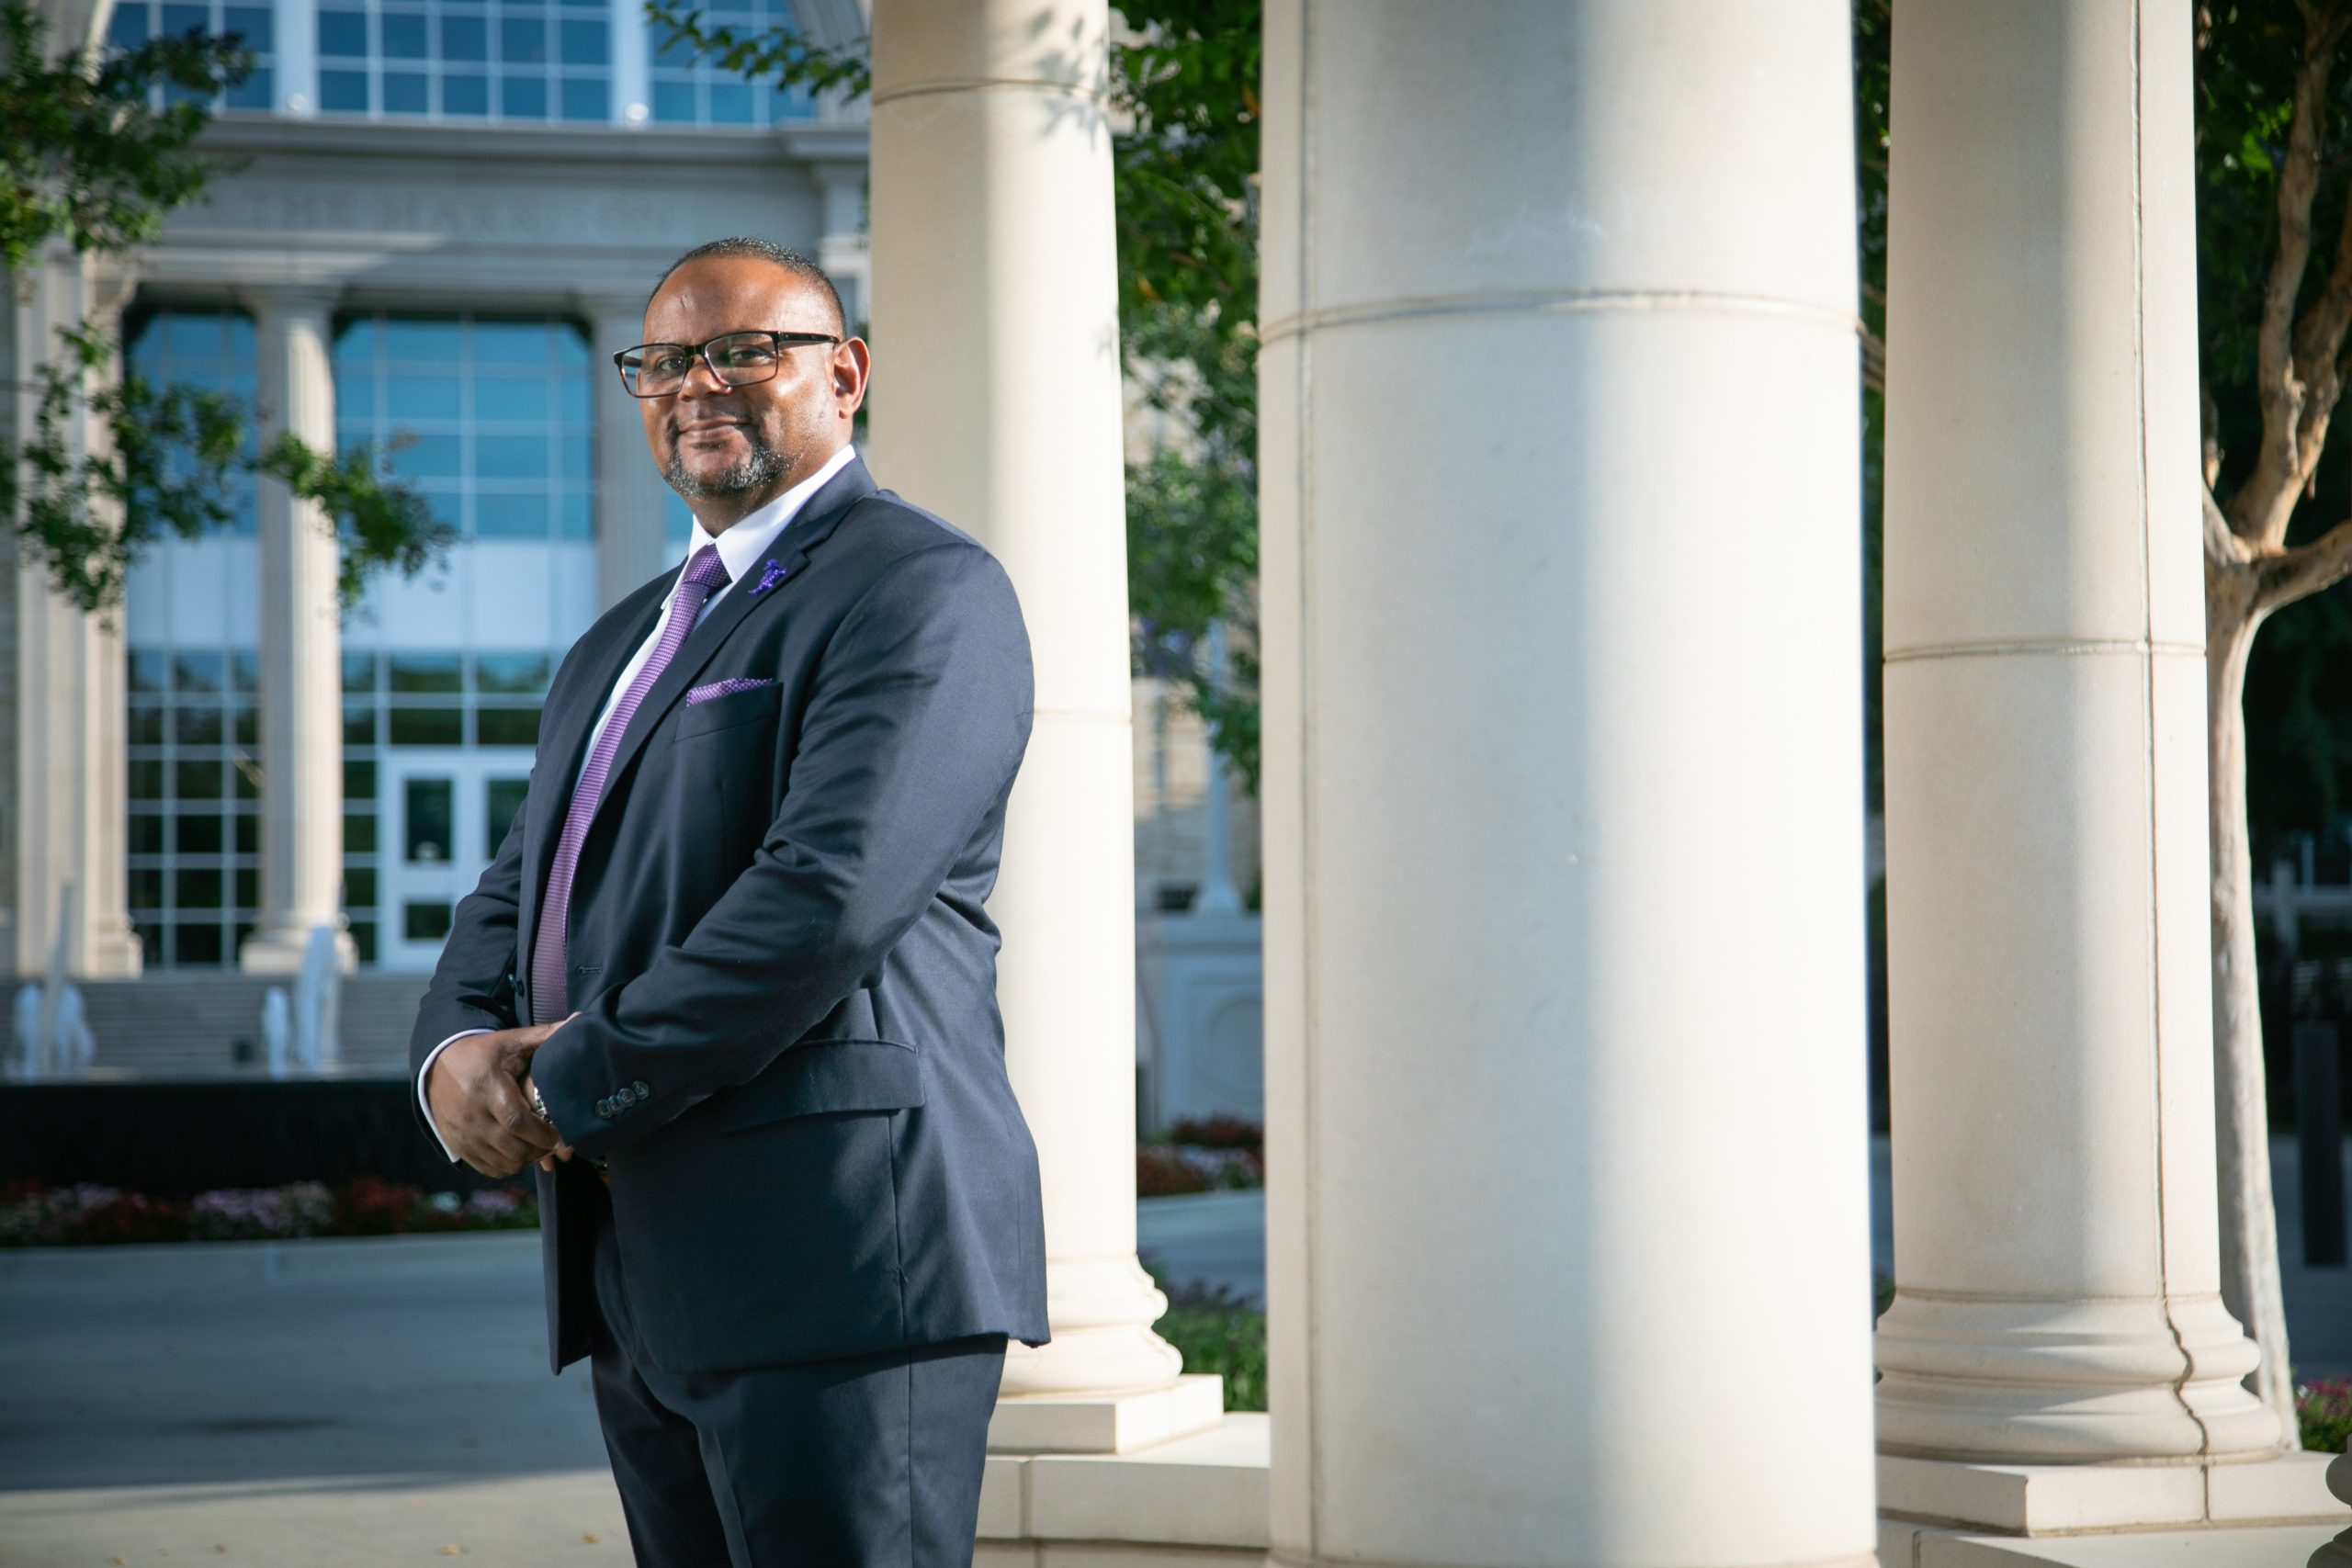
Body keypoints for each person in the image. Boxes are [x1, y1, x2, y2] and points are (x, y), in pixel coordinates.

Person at [407, 235, 1049, 1567]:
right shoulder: (620, 640)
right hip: (641, 1271)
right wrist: (451, 1050)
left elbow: (826, 898)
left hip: (842, 1262)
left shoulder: (919, 590)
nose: (699, 382)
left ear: (846, 373)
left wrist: (570, 1081)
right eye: (665, 361)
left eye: (746, 350)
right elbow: (524, 878)